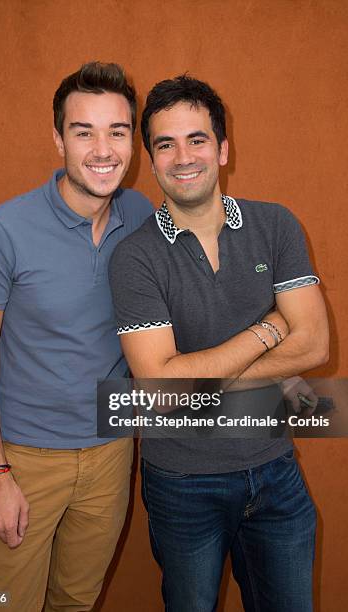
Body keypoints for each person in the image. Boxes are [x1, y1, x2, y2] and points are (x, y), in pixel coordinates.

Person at [109, 75, 329, 611]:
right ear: (151, 159)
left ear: (223, 148)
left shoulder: (275, 225)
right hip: (183, 484)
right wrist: (268, 330)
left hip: (276, 473)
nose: (183, 157)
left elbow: (317, 346)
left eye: (197, 139)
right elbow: (158, 385)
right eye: (166, 143)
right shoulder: (134, 257)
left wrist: (199, 378)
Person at [0, 62, 153, 612]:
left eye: (116, 132)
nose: (103, 149)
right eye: (82, 131)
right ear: (57, 139)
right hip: (25, 457)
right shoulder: (5, 229)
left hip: (112, 449)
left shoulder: (140, 215)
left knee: (76, 600)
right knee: (6, 604)